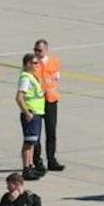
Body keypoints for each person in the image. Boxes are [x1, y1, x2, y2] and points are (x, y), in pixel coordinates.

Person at [32, 39, 66, 174]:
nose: (36, 53)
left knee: (51, 132)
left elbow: (56, 78)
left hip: (51, 100)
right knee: (37, 134)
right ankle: (37, 160)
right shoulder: (32, 63)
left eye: (39, 50)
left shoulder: (54, 62)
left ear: (46, 50)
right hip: (37, 102)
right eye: (35, 50)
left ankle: (51, 159)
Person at [15, 54, 46, 181]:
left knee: (33, 142)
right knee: (28, 143)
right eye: (34, 63)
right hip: (31, 114)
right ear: (27, 64)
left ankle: (30, 166)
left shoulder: (32, 77)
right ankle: (26, 168)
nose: (36, 65)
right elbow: (19, 97)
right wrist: (27, 113)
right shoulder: (26, 78)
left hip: (37, 113)